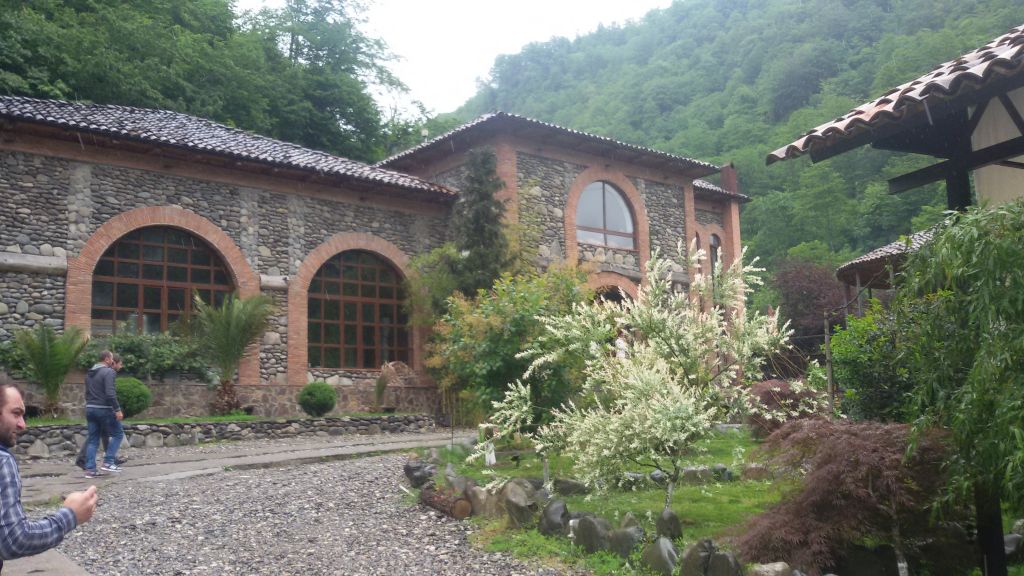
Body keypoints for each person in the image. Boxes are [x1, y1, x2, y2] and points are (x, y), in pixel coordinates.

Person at [0, 382, 96, 570]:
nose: (22, 425)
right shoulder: (3, 461)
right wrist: (71, 515)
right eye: (16, 413)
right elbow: (13, 540)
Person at [74, 354, 127, 470]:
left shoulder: (89, 373)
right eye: (112, 359)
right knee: (118, 434)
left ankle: (90, 469)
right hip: (104, 408)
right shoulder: (109, 372)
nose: (113, 362)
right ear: (107, 359)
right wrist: (117, 409)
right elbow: (110, 393)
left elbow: (87, 393)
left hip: (90, 408)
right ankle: (108, 461)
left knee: (94, 439)